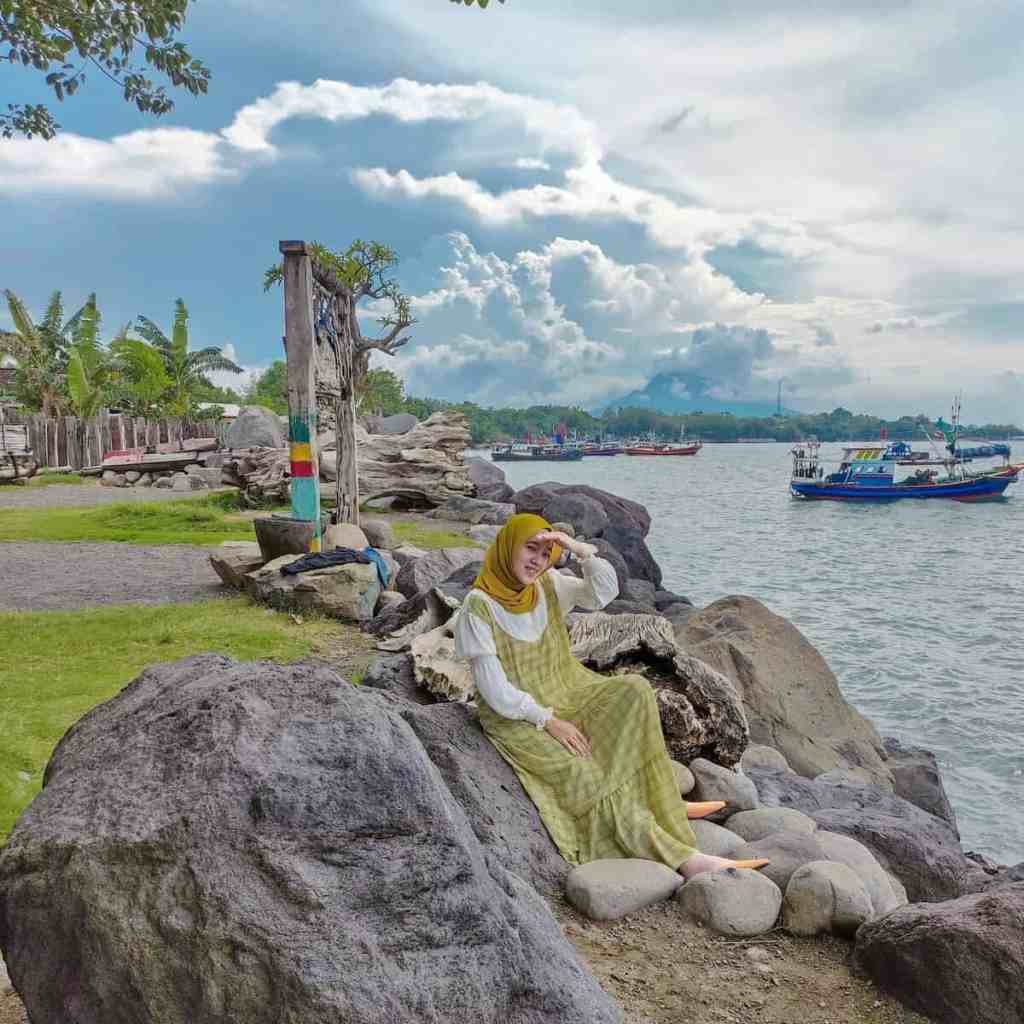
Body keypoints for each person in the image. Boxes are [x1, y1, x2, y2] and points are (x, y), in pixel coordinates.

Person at [454, 512, 769, 880]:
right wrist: (548, 721)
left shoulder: (548, 585)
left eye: (546, 552)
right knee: (584, 772)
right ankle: (683, 858)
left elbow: (603, 592)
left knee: (634, 690)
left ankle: (661, 798)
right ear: (508, 546)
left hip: (565, 689)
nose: (537, 560)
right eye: (530, 548)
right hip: (515, 715)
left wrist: (581, 551)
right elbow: (494, 691)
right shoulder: (479, 606)